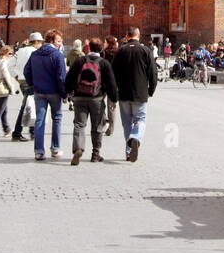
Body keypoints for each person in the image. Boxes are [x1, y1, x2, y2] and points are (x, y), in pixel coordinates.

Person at [64, 37, 117, 165]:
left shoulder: (80, 61)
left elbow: (69, 78)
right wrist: (114, 99)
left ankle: (78, 148)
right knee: (97, 126)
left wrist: (68, 93)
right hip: (97, 99)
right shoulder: (104, 63)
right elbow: (111, 83)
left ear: (88, 48)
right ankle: (95, 154)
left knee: (79, 124)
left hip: (80, 97)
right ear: (101, 49)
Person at [111, 28, 157, 162]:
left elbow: (112, 74)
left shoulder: (120, 51)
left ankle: (128, 151)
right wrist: (151, 90)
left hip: (123, 93)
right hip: (140, 92)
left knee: (127, 123)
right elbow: (153, 73)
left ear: (127, 36)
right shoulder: (145, 51)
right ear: (139, 35)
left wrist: (114, 93)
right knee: (140, 120)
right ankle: (136, 138)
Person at [24, 29, 67, 160]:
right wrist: (64, 93)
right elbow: (61, 77)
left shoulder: (35, 54)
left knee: (39, 120)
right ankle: (55, 148)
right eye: (59, 41)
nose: (61, 43)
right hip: (54, 92)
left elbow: (26, 71)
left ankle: (38, 151)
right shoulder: (57, 55)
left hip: (39, 91)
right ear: (53, 41)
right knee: (57, 119)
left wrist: (33, 84)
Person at [10, 32, 42, 141]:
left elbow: (10, 65)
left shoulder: (20, 51)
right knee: (28, 106)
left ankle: (31, 131)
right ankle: (18, 132)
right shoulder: (36, 52)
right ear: (36, 42)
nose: (41, 44)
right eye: (40, 42)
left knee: (30, 105)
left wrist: (16, 76)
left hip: (21, 81)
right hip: (32, 81)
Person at [103, 36, 120, 136]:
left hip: (104, 81)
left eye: (105, 42)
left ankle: (104, 119)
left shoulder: (103, 53)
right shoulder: (118, 53)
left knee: (99, 102)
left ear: (109, 43)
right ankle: (111, 127)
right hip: (114, 82)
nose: (104, 43)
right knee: (112, 105)